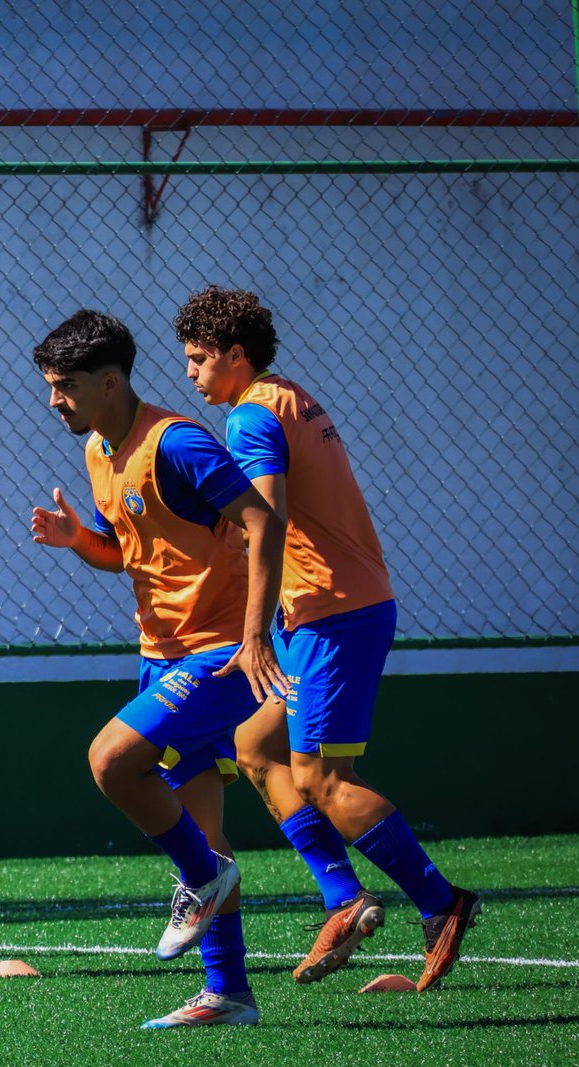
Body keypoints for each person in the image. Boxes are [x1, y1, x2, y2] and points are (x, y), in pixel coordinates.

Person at [173, 285, 479, 990]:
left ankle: (442, 902)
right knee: (255, 746)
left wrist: (252, 632)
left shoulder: (251, 416)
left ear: (236, 355)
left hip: (330, 613)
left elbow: (266, 523)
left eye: (198, 358)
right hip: (333, 608)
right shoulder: (290, 397)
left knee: (322, 778)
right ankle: (344, 896)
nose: (189, 373)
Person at [29, 310, 288, 1027]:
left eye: (65, 385)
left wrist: (256, 636)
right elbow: (128, 552)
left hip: (221, 652)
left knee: (111, 761)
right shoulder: (98, 450)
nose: (53, 400)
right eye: (50, 385)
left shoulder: (177, 442)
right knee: (200, 827)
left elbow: (264, 520)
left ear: (111, 382)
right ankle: (228, 993)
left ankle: (205, 878)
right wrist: (79, 540)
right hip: (160, 655)